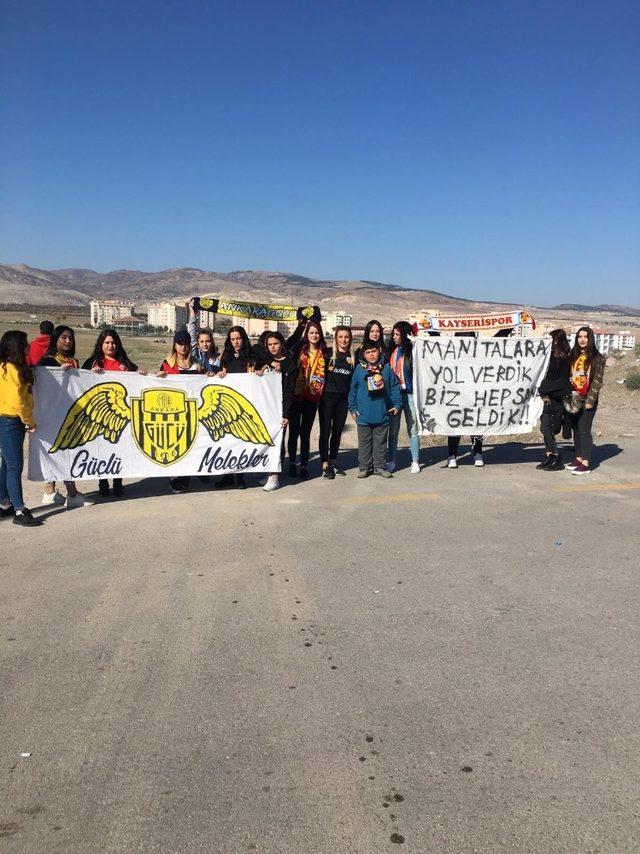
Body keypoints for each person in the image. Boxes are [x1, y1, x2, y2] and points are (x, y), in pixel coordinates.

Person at [82, 329, 144, 497]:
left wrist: (139, 373)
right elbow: (79, 383)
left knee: (119, 449)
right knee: (101, 450)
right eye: (107, 342)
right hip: (99, 415)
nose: (111, 345)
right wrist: (89, 374)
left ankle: (118, 482)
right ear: (101, 344)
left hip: (121, 416)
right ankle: (103, 482)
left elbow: (139, 378)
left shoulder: (124, 362)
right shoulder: (92, 362)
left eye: (113, 342)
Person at [38, 325, 87, 508]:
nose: (67, 341)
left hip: (69, 412)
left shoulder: (73, 361)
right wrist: (60, 373)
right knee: (61, 452)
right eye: (64, 337)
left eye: (70, 338)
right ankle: (70, 493)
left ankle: (51, 490)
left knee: (63, 451)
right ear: (56, 339)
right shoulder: (48, 361)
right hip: (53, 414)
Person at [215, 326, 265, 488]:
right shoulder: (226, 357)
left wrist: (261, 371)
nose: (236, 342)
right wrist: (220, 375)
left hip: (247, 403)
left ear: (243, 338)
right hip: (229, 405)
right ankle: (228, 476)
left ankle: (241, 477)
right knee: (227, 441)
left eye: (238, 338)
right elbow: (221, 373)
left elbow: (266, 366)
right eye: (233, 339)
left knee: (241, 441)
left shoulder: (252, 355)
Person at [0, 331, 40, 526]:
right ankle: (19, 509)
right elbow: (19, 402)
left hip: (5, 420)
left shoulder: (4, 367)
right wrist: (29, 421)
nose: (28, 345)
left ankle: (4, 503)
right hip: (11, 421)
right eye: (25, 342)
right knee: (15, 467)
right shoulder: (14, 371)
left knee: (6, 464)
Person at [348, 340, 401, 478]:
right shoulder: (359, 369)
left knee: (380, 444)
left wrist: (396, 404)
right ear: (363, 355)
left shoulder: (387, 369)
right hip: (363, 415)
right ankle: (364, 467)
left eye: (374, 351)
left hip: (382, 414)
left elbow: (395, 387)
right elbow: (353, 390)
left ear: (379, 351)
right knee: (364, 443)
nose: (371, 355)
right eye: (368, 352)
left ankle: (379, 467)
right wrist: (353, 408)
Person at [287, 320, 327, 480]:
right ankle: (291, 463)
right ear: (306, 334)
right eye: (311, 332)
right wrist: (300, 326)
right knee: (293, 432)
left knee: (305, 433)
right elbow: (287, 347)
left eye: (317, 332)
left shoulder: (324, 352)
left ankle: (303, 465)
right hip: (296, 397)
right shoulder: (299, 350)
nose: (314, 335)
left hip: (312, 398)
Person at [565, 326, 606, 476]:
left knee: (584, 430)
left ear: (590, 339)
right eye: (579, 337)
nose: (582, 339)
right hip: (573, 397)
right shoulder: (573, 355)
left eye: (585, 337)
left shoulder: (598, 358)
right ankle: (578, 458)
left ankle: (586, 464)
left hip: (587, 397)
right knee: (576, 429)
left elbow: (597, 381)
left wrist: (591, 400)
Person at [260, 332, 296, 492]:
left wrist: (286, 414)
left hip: (281, 408)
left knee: (278, 440)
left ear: (282, 344)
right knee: (267, 439)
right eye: (269, 344)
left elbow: (290, 391)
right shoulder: (265, 361)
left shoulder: (290, 364)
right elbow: (254, 347)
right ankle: (269, 471)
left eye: (275, 343)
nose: (272, 347)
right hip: (266, 407)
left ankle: (275, 475)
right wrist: (268, 364)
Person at [318, 326, 354, 479]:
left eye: (346, 337)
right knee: (325, 432)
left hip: (342, 399)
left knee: (337, 432)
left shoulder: (353, 357)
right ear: (336, 338)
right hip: (327, 398)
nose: (343, 340)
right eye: (340, 337)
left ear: (350, 339)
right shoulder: (328, 353)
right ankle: (324, 464)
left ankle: (333, 461)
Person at [387, 321, 420, 474]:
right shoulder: (391, 352)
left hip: (410, 394)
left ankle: (415, 461)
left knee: (412, 428)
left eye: (397, 334)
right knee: (393, 430)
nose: (393, 337)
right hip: (395, 396)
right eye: (393, 334)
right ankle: (392, 461)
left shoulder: (413, 351)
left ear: (404, 335)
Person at [446, 332, 484, 469]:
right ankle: (452, 456)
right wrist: (430, 327)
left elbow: (497, 340)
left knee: (476, 424)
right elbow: (436, 340)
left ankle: (478, 454)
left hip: (474, 396)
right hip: (456, 396)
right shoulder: (451, 354)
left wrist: (512, 324)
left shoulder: (479, 354)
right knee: (454, 425)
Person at [536, 329, 571, 471]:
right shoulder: (548, 358)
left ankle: (556, 457)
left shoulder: (565, 360)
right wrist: (543, 393)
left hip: (557, 399)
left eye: (553, 339)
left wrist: (544, 389)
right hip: (547, 398)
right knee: (544, 428)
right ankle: (549, 455)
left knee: (549, 428)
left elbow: (562, 382)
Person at [187, 299, 220, 373]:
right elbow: (191, 333)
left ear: (212, 342)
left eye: (207, 341)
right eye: (202, 342)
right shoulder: (196, 355)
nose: (205, 344)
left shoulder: (218, 358)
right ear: (198, 343)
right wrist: (192, 310)